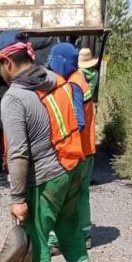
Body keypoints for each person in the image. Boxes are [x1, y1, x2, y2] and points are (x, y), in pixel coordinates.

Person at [0, 31, 97, 262]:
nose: (1, 73)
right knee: (69, 227)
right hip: (72, 167)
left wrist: (17, 198)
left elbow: (18, 154)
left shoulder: (15, 98)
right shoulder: (58, 81)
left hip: (46, 177)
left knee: (36, 237)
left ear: (7, 62)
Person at [48, 43, 96, 249]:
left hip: (77, 152)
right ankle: (85, 235)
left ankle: (55, 241)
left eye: (53, 60)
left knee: (62, 197)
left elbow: (78, 121)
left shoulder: (74, 85)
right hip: (88, 149)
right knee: (82, 195)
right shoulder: (81, 80)